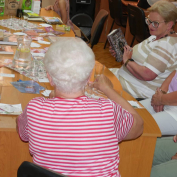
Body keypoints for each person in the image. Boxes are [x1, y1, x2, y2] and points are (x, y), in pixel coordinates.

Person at [17, 38, 143, 177]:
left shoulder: (35, 109)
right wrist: (108, 89)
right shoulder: (107, 110)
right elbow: (138, 125)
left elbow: (23, 133)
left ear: (50, 78)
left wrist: (49, 101)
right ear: (89, 77)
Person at [110, 0, 177, 99]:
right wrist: (123, 52)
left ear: (169, 25)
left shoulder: (166, 45)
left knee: (92, 80)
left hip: (135, 90)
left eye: (155, 23)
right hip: (126, 81)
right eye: (149, 21)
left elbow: (147, 74)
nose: (150, 26)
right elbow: (144, 56)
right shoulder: (158, 36)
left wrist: (127, 60)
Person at [140, 49, 177, 135]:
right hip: (167, 100)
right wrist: (162, 92)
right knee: (129, 111)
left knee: (138, 126)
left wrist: (162, 99)